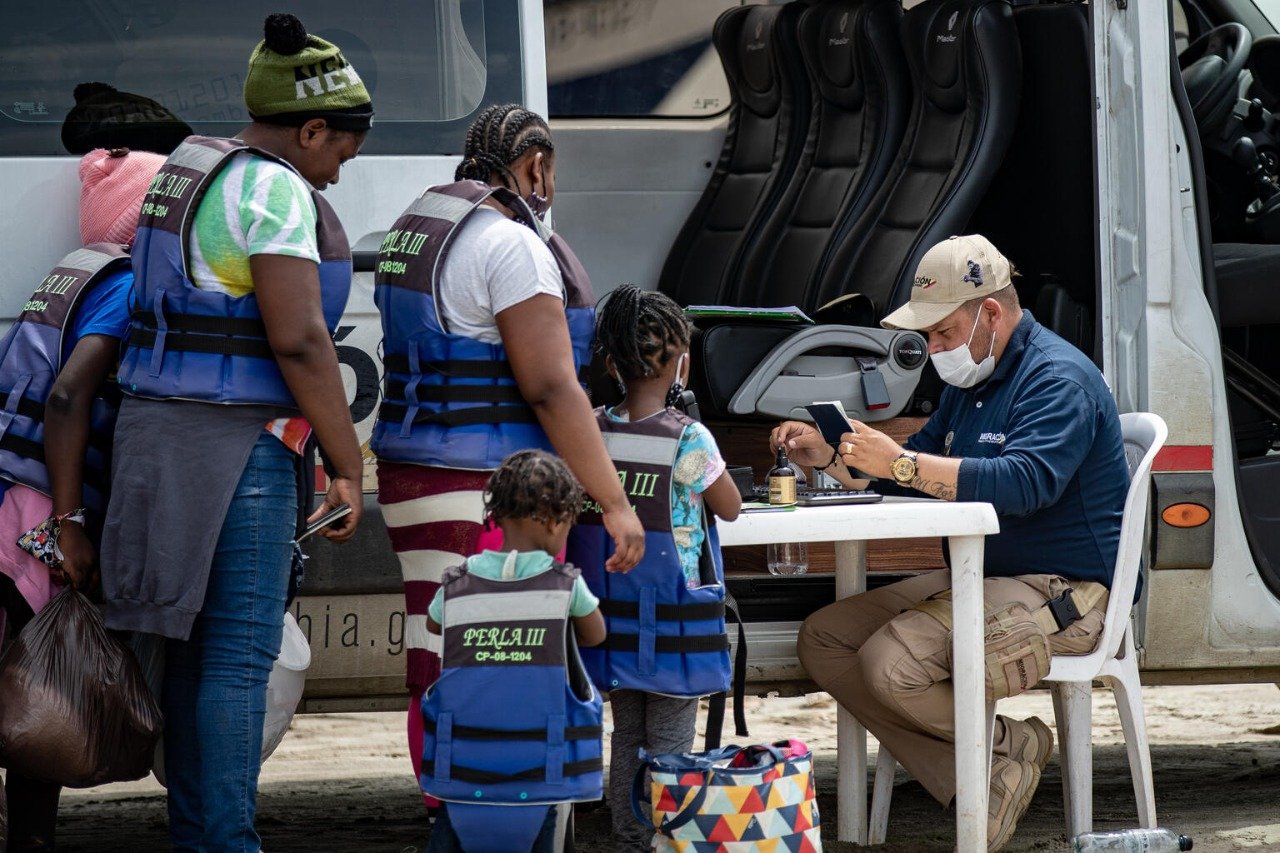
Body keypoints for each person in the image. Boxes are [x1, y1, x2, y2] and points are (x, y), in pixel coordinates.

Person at [97, 14, 372, 851]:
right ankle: (230, 838)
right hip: (237, 446)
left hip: (155, 437)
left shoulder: (185, 170)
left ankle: (201, 835)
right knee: (239, 652)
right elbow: (299, 338)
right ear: (312, 127)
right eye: (338, 157)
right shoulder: (274, 188)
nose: (334, 178)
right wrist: (346, 460)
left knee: (184, 645)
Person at [771, 234, 1129, 851]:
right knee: (824, 640)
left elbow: (1024, 484)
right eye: (929, 338)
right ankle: (997, 758)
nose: (934, 350)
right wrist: (835, 455)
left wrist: (902, 462)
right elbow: (923, 473)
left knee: (890, 665)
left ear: (990, 312)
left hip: (1067, 592)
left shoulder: (1059, 378)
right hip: (984, 573)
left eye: (943, 333)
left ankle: (998, 760)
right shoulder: (976, 379)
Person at [371, 102, 645, 801]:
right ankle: (488, 802)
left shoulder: (421, 225)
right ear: (535, 166)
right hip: (481, 483)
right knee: (498, 655)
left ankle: (445, 805)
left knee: (435, 647)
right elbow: (552, 386)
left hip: (411, 471)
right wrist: (613, 501)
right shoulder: (511, 243)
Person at [0, 145, 166, 853]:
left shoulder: (68, 274)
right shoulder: (125, 284)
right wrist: (70, 523)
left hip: (9, 491)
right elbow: (69, 394)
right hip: (36, 512)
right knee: (39, 684)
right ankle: (32, 838)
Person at [564, 286, 742, 851]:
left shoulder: (591, 431)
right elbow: (731, 506)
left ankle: (628, 840)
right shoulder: (689, 438)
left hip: (611, 621)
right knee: (671, 748)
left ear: (611, 363)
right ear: (682, 361)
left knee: (628, 738)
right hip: (674, 628)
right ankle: (669, 841)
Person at [422, 449, 606, 852]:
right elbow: (596, 634)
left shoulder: (457, 583)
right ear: (556, 521)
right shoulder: (564, 585)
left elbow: (434, 623)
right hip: (541, 778)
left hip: (464, 778)